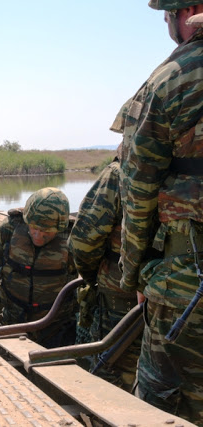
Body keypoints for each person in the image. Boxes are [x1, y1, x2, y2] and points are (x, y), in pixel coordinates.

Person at [118, 1, 203, 421]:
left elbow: (137, 191)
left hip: (188, 284)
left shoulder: (171, 79)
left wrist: (134, 274)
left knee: (163, 405)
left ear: (184, 10)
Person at [0, 187, 77, 348]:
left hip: (57, 327)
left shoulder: (73, 237)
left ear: (60, 227)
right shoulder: (10, 227)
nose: (38, 235)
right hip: (12, 321)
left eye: (46, 231)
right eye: (34, 228)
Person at [69, 142, 140, 392]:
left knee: (113, 377)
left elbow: (83, 241)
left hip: (123, 298)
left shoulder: (119, 173)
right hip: (187, 295)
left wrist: (93, 278)